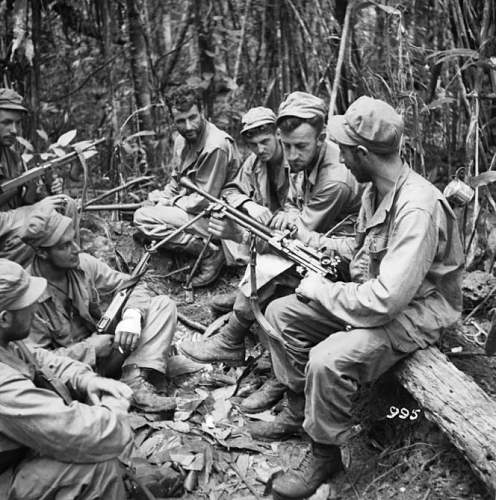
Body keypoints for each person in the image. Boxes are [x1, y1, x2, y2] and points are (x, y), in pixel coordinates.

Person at [250, 96, 464, 500]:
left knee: (328, 358)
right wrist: (311, 241)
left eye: (345, 150)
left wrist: (323, 290)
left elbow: (384, 301)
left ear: (363, 153)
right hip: (380, 294)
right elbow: (366, 252)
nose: (341, 157)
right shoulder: (377, 190)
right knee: (281, 314)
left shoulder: (416, 208)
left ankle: (325, 453)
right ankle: (302, 411)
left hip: (415, 311)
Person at [180, 91, 362, 413]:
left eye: (300, 146)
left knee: (273, 267)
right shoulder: (301, 160)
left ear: (321, 138)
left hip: (342, 263)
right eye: (287, 145)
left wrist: (240, 232)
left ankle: (250, 352)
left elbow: (296, 243)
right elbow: (292, 210)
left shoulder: (335, 180)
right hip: (316, 246)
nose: (291, 155)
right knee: (269, 265)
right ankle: (241, 343)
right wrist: (277, 219)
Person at [0, 258, 133, 499]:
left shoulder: (7, 340)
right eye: (28, 303)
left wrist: (87, 380)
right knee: (98, 467)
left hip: (14, 453)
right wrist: (115, 412)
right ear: (5, 318)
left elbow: (41, 360)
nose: (35, 307)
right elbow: (71, 430)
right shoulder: (3, 386)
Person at [21, 209, 178, 412]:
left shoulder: (83, 264)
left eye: (73, 240)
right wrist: (90, 349)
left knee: (163, 304)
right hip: (76, 374)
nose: (76, 248)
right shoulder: (27, 295)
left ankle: (134, 380)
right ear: (42, 252)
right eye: (65, 246)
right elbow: (38, 362)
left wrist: (131, 316)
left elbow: (132, 285)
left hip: (109, 349)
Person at [133, 85, 240, 287]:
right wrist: (162, 199)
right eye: (181, 121)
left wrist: (169, 203)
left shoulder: (215, 146)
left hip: (216, 219)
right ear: (173, 120)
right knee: (148, 209)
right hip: (192, 210)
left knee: (142, 218)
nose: (188, 126)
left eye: (192, 117)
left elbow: (203, 201)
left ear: (203, 112)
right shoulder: (181, 141)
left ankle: (208, 253)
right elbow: (176, 180)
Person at [210, 106, 289, 315]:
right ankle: (249, 282)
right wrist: (249, 204)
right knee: (228, 214)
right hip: (267, 231)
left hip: (292, 229)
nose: (260, 149)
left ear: (278, 135)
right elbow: (230, 191)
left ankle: (257, 292)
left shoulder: (295, 157)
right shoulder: (254, 162)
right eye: (254, 145)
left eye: (265, 142)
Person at [0, 88, 77, 266]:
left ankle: (71, 269)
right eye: (6, 122)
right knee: (41, 222)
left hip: (9, 222)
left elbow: (24, 201)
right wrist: (33, 203)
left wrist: (38, 190)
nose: (14, 130)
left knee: (66, 203)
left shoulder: (12, 157)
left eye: (17, 124)